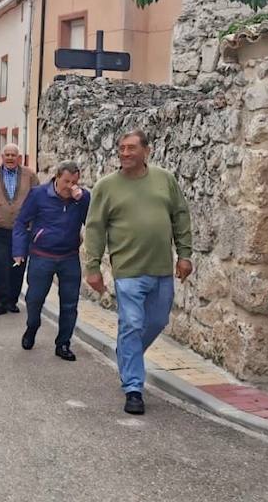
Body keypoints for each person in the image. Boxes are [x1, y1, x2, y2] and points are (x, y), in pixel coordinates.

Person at [84, 130, 192, 416]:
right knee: (132, 323)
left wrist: (185, 255)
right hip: (127, 270)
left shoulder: (165, 180)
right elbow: (95, 228)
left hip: (161, 269)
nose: (125, 153)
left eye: (132, 148)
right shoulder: (106, 187)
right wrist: (92, 267)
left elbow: (180, 215)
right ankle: (133, 388)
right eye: (121, 148)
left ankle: (126, 353)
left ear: (147, 150)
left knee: (156, 320)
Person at [14, 162, 89, 361]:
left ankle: (63, 343)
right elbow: (21, 222)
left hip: (69, 257)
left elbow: (93, 221)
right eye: (67, 181)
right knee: (34, 298)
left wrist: (81, 201)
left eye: (74, 182)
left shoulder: (82, 197)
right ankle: (32, 326)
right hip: (42, 255)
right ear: (57, 177)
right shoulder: (38, 194)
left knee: (69, 303)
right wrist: (19, 250)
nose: (70, 186)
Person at [0, 143, 39, 315]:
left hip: (22, 229)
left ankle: (12, 300)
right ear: (1, 156)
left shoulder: (29, 175)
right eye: (6, 155)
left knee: (18, 265)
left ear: (18, 157)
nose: (10, 158)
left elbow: (38, 198)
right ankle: (0, 301)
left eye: (13, 155)